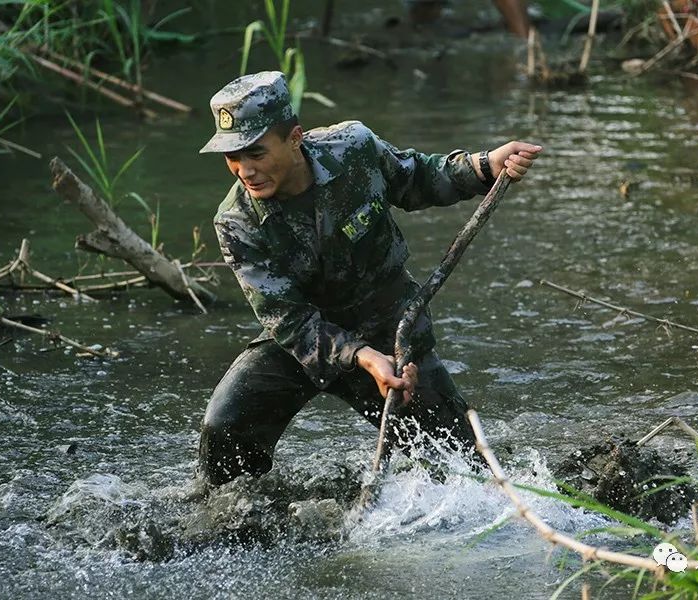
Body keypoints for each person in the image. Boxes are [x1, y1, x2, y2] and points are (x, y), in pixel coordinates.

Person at [196, 71, 541, 489]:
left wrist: (486, 165)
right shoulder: (236, 221)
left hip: (389, 330)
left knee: (463, 468)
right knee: (225, 426)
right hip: (305, 337)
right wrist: (361, 357)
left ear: (294, 138)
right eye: (232, 157)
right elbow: (288, 320)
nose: (244, 171)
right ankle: (235, 518)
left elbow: (417, 178)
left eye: (255, 153)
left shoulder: (353, 149)